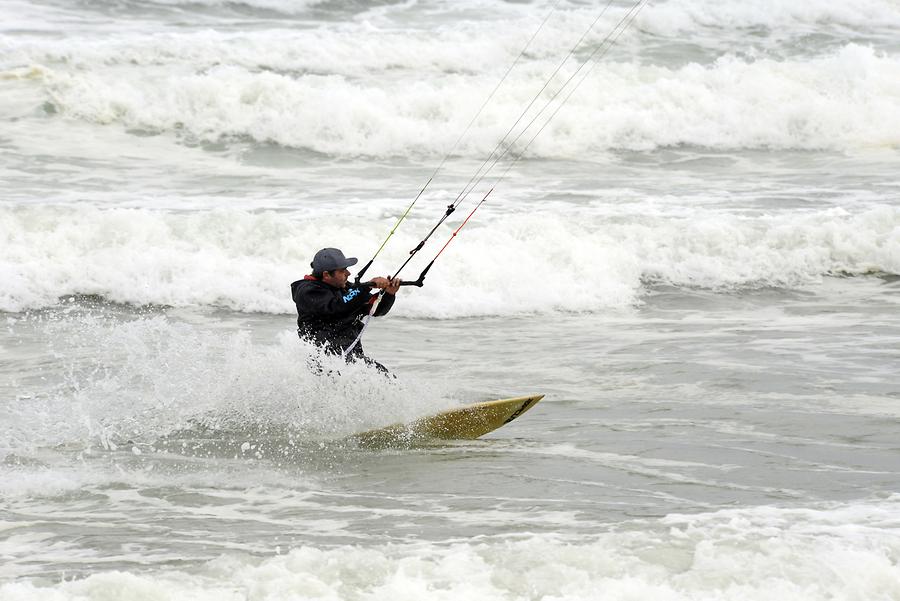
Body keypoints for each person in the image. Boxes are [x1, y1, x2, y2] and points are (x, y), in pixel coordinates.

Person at [290, 247, 400, 373]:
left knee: (386, 377)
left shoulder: (345, 288)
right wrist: (366, 286)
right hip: (323, 359)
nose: (348, 273)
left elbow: (374, 309)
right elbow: (336, 307)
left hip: (350, 356)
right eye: (343, 270)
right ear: (326, 274)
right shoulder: (307, 291)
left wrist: (389, 294)